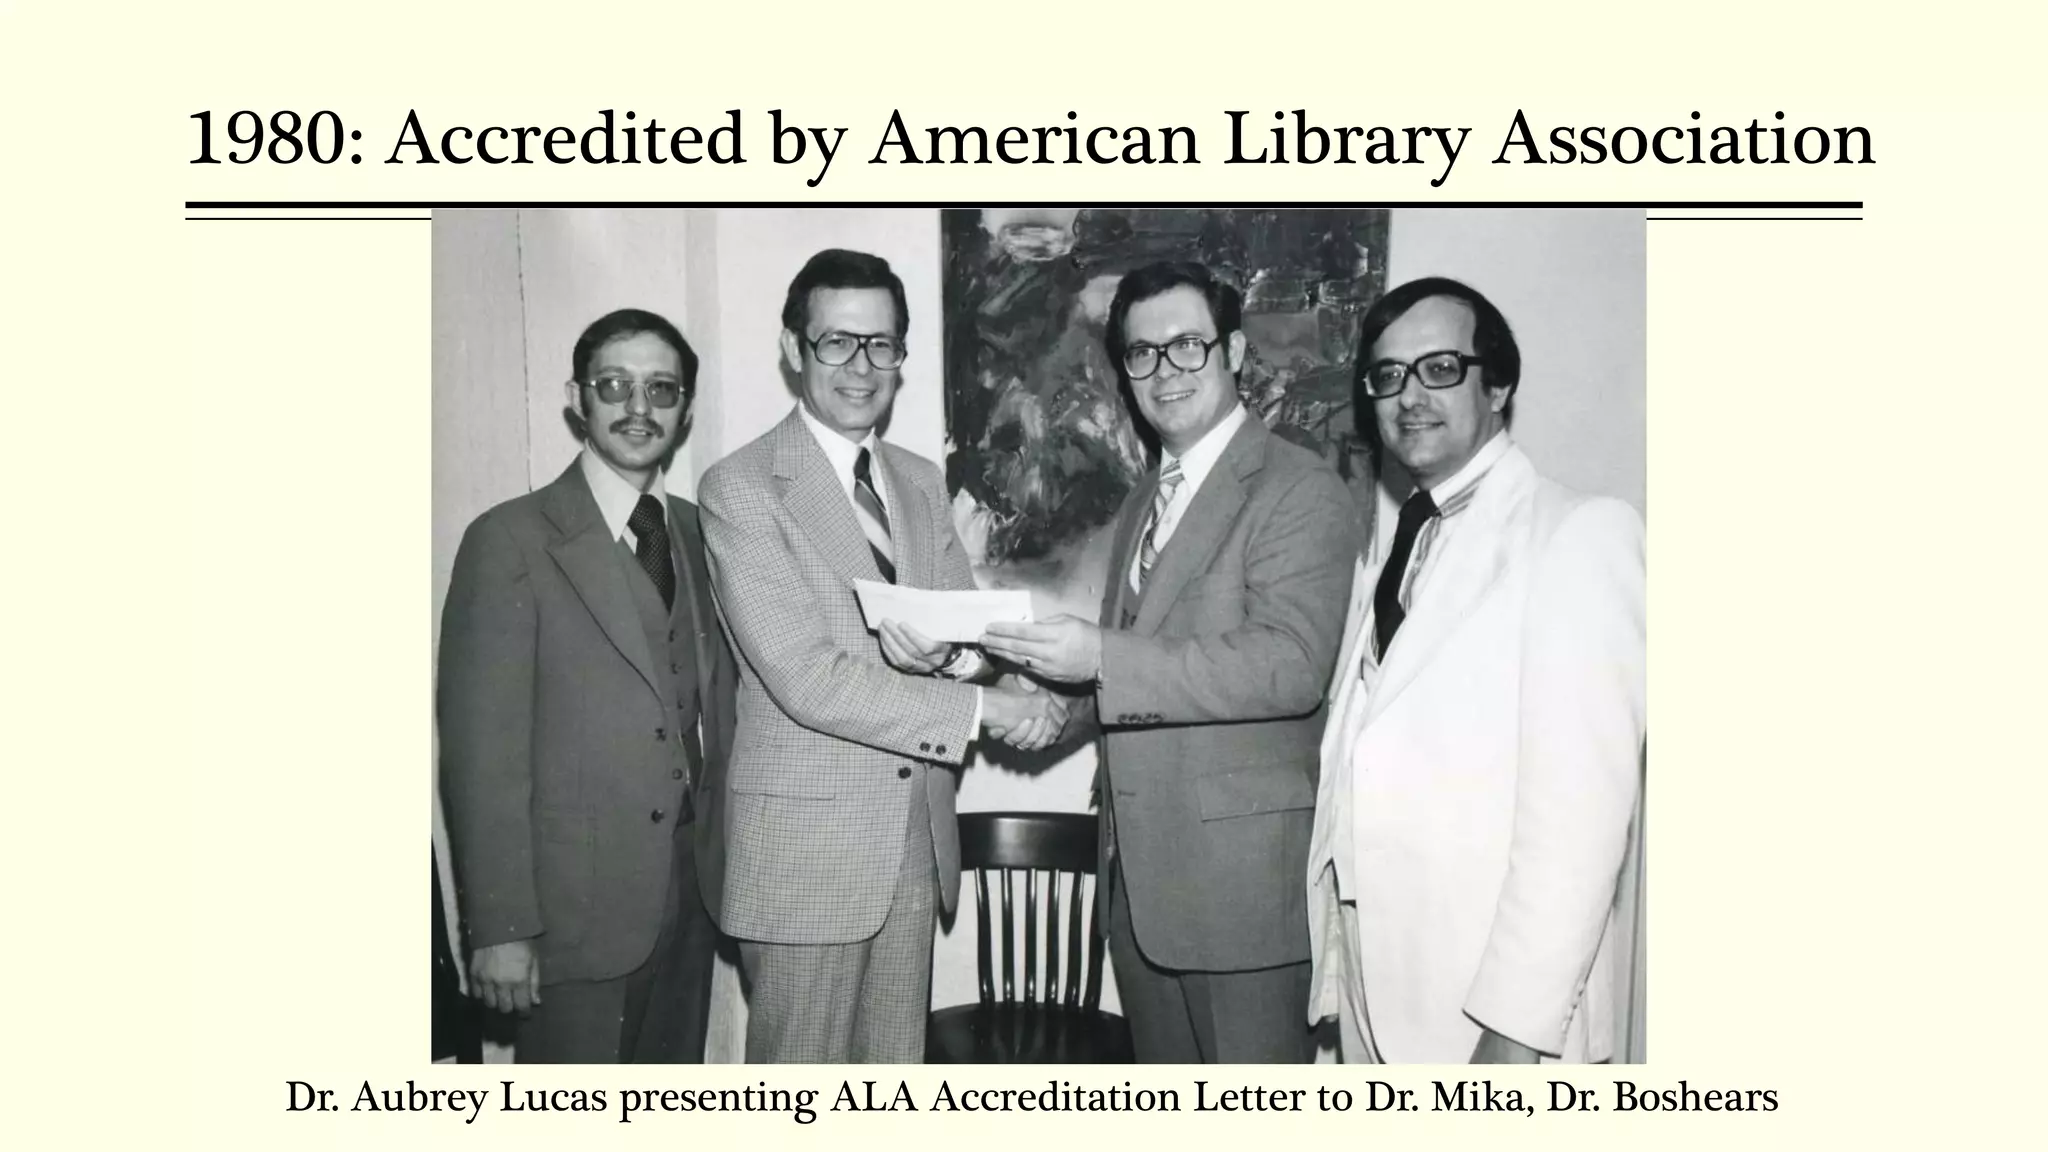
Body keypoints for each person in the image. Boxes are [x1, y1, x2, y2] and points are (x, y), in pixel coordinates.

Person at [697, 248, 1068, 1063]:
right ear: (794, 349)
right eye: (837, 342)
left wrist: (973, 668)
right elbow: (808, 678)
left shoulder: (918, 480)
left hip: (911, 845)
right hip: (806, 857)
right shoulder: (742, 487)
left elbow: (966, 632)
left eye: (882, 345)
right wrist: (986, 708)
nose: (861, 367)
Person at [981, 261, 1358, 1062]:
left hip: (1243, 894)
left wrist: (1098, 655)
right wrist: (1045, 704)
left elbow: (1289, 666)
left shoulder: (1300, 489)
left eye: (1187, 346)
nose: (1165, 370)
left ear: (1233, 354)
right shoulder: (1145, 497)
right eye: (1143, 354)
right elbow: (1132, 667)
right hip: (1140, 890)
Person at [1304, 276, 1646, 1063]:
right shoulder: (1407, 536)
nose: (1409, 396)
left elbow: (1581, 825)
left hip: (1489, 1008)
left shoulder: (1579, 534)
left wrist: (1515, 1032)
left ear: (1499, 384)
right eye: (1387, 376)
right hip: (1381, 980)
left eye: (1440, 369)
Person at [438, 308, 737, 1063]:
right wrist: (502, 929)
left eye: (661, 390)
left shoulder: (703, 534)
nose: (639, 409)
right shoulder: (508, 539)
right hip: (568, 921)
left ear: (686, 410)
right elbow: (482, 760)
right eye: (615, 386)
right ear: (578, 398)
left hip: (691, 900)